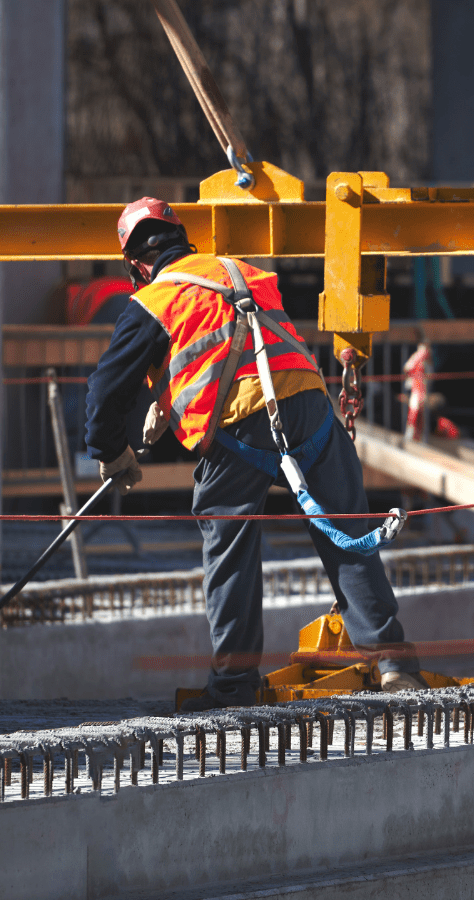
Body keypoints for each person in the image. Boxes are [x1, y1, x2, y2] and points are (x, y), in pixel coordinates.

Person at [84, 197, 428, 711]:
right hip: (310, 407)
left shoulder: (153, 301)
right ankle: (395, 665)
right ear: (181, 240)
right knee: (349, 532)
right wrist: (165, 394)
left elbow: (105, 392)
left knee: (230, 551)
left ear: (135, 264)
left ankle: (233, 686)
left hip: (239, 427)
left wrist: (111, 453)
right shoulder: (241, 271)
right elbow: (237, 340)